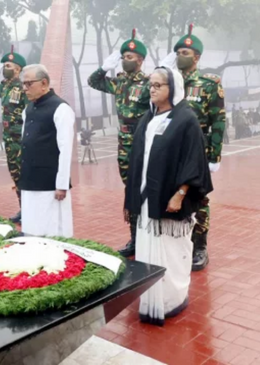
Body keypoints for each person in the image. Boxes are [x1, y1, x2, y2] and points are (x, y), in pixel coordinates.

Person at [124, 66, 213, 326]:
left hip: (169, 201)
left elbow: (193, 161)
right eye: (150, 84)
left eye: (159, 85)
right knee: (148, 250)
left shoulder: (186, 119)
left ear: (172, 89)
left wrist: (180, 194)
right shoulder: (148, 119)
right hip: (146, 201)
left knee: (172, 252)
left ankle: (171, 300)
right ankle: (150, 300)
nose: (152, 89)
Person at [165, 24, 225, 271]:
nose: (180, 55)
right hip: (173, 149)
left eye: (185, 53)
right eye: (178, 51)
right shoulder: (170, 81)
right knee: (173, 194)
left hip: (198, 149)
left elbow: (218, 119)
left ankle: (199, 246)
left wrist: (214, 155)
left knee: (199, 198)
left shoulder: (210, 83)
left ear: (197, 57)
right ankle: (177, 241)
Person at [88, 28, 150, 257]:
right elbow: (93, 81)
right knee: (130, 190)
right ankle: (135, 238)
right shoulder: (120, 82)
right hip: (124, 145)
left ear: (141, 60)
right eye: (123, 57)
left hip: (143, 144)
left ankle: (148, 236)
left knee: (145, 189)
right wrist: (104, 68)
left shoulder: (148, 83)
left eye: (130, 57)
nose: (125, 61)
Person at [19, 64, 75, 238]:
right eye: (23, 84)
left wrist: (61, 184)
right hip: (29, 179)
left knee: (52, 231)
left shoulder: (60, 108)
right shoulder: (28, 109)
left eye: (29, 84)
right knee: (31, 227)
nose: (24, 88)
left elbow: (65, 149)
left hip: (50, 184)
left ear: (44, 83)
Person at [0, 47, 29, 224]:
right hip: (9, 139)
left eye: (8, 65)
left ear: (18, 69)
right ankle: (24, 208)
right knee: (16, 176)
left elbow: (30, 111)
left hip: (20, 139)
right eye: (4, 65)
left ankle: (29, 210)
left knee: (23, 175)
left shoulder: (22, 88)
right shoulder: (4, 87)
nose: (5, 68)